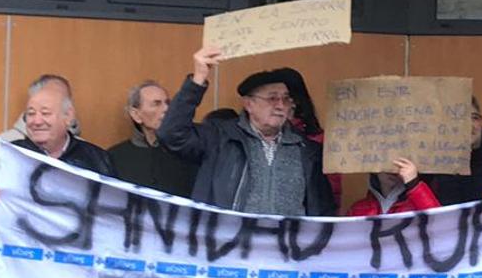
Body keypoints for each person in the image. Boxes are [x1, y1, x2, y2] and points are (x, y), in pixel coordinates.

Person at [157, 48, 336, 216]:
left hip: (287, 248)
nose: (281, 106)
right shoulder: (220, 138)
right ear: (249, 104)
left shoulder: (307, 151)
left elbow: (322, 212)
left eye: (286, 99)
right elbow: (172, 135)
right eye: (272, 98)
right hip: (230, 246)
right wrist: (197, 81)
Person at [0, 80, 115, 210]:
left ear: (68, 116)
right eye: (31, 114)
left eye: (45, 113)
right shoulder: (8, 156)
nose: (36, 121)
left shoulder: (97, 160)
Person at [108, 80, 197, 197]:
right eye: (156, 104)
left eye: (168, 103)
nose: (166, 109)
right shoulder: (114, 157)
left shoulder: (189, 152)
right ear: (136, 115)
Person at [277, 67, 341, 204]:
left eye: (284, 97)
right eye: (271, 97)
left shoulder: (319, 141)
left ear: (295, 100)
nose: (277, 105)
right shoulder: (258, 137)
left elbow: (332, 193)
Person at [427, 96, 482, 205]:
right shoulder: (433, 148)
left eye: (474, 118)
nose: (469, 125)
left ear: (481, 121)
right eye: (459, 118)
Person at [0, 74, 82, 150]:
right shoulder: (5, 150)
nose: (38, 121)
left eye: (46, 113)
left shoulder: (91, 156)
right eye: (31, 113)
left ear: (69, 114)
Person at [346, 158, 439, 216]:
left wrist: (413, 184)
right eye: (385, 161)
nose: (391, 169)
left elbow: (439, 224)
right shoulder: (357, 210)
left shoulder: (416, 205)